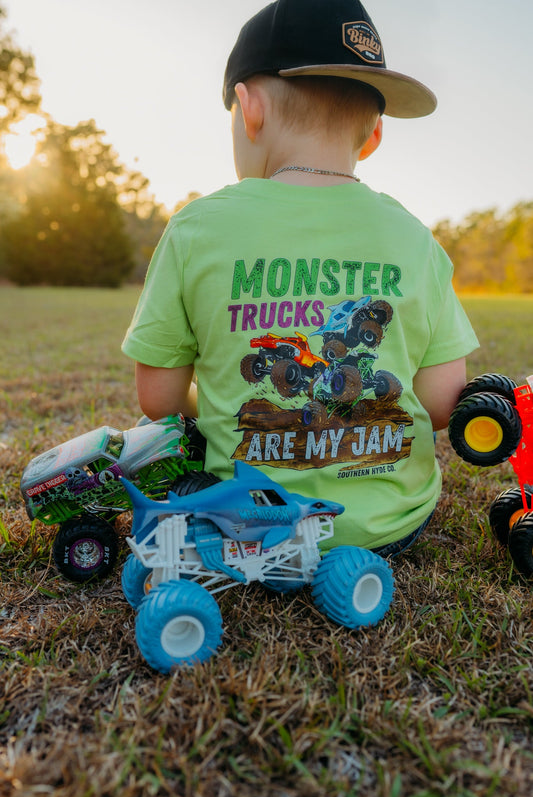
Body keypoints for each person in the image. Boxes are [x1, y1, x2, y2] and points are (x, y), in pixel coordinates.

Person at [122, 0, 479, 557]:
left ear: (249, 108)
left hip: (251, 524)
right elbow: (440, 404)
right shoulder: (414, 238)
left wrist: (213, 407)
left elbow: (159, 396)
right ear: (374, 134)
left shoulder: (197, 228)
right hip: (390, 527)